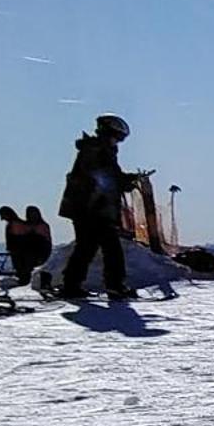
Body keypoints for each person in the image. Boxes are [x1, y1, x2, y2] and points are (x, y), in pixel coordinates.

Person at [57, 115, 140, 298]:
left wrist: (126, 180)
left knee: (86, 247)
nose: (118, 141)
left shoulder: (100, 150)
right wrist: (124, 182)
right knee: (111, 248)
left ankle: (72, 285)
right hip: (93, 208)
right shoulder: (97, 150)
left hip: (89, 208)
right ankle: (114, 285)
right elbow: (102, 178)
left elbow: (109, 177)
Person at [0, 206, 40, 284]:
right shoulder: (16, 223)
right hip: (20, 251)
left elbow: (19, 238)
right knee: (21, 268)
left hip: (21, 252)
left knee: (22, 268)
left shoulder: (16, 224)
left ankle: (24, 280)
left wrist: (14, 248)